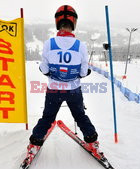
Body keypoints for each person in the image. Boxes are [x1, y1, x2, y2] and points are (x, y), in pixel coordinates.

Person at [27, 5, 102, 159]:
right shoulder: (80, 45)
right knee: (80, 116)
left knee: (47, 118)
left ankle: (34, 144)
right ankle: (92, 142)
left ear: (57, 23)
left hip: (54, 90)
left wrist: (53, 73)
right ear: (74, 23)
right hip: (74, 90)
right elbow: (83, 71)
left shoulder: (49, 43)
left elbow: (44, 68)